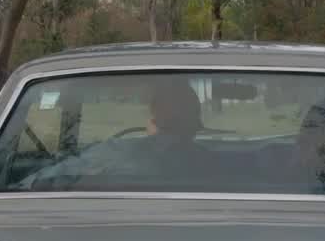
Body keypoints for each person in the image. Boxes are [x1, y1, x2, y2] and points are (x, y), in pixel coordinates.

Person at [19, 78, 207, 190]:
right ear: (195, 122)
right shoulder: (214, 163)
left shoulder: (116, 152)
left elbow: (41, 182)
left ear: (154, 117)